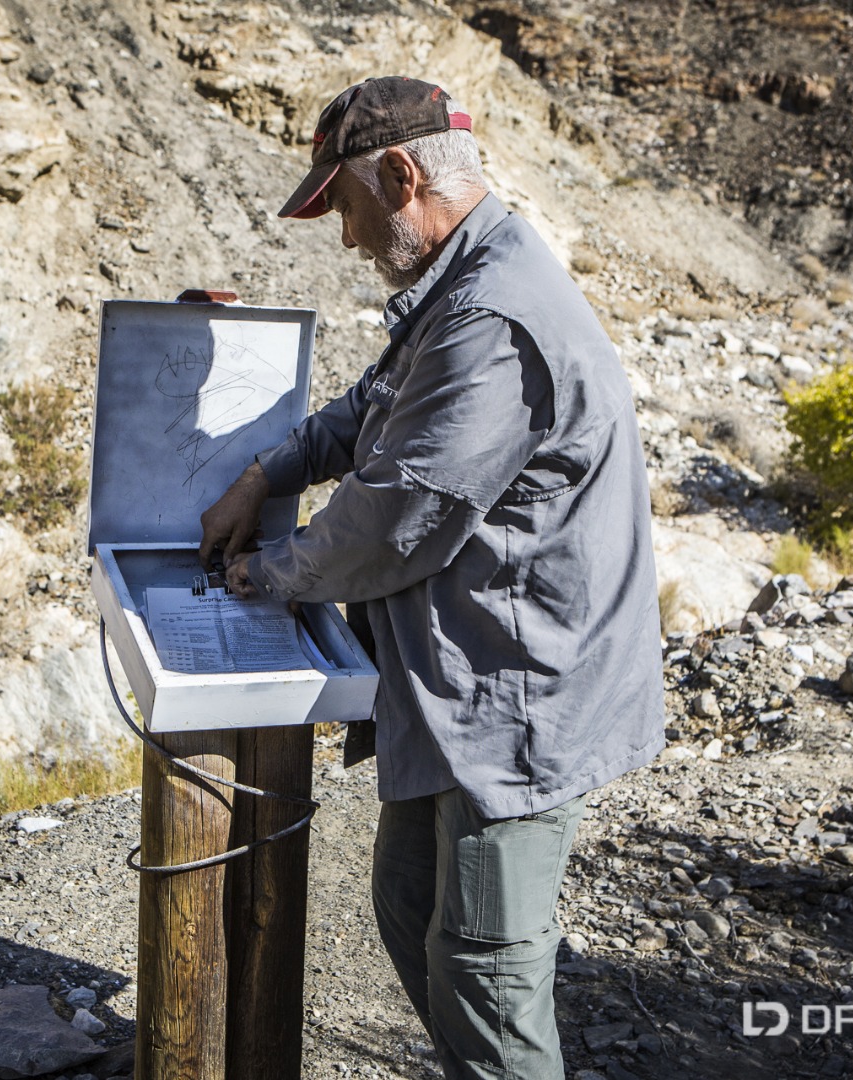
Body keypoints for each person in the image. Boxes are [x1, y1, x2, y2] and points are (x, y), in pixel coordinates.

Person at [198, 75, 665, 1080]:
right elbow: (375, 404)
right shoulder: (465, 278)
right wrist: (264, 472)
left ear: (403, 176)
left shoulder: (490, 315)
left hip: (519, 695)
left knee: (487, 971)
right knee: (411, 906)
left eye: (348, 207)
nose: (347, 236)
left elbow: (392, 523)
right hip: (462, 685)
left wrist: (259, 576)